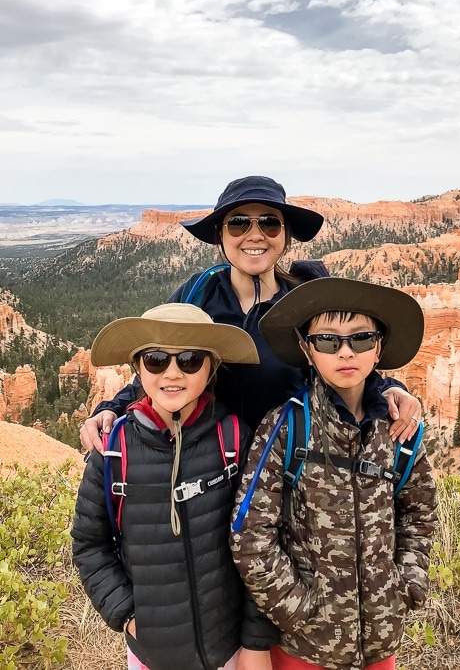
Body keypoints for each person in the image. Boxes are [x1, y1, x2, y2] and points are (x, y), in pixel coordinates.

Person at [80, 176, 422, 451]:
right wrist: (110, 407)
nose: (255, 235)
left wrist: (390, 388)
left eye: (270, 224)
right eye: (239, 223)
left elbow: (342, 353)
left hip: (288, 467)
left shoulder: (305, 302)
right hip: (208, 466)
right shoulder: (196, 296)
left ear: (286, 237)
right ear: (220, 235)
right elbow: (160, 364)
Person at [230, 277, 438, 670]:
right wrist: (298, 610)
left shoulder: (399, 433)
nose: (345, 352)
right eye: (328, 341)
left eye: (360, 339)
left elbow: (420, 514)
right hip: (305, 649)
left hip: (380, 643)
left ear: (378, 348)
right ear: (308, 351)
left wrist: (406, 585)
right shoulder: (287, 428)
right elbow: (250, 532)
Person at [71, 302, 277, 670]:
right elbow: (89, 544)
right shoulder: (113, 452)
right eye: (154, 359)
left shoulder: (233, 439)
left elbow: (259, 542)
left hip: (230, 648)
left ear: (211, 367)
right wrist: (128, 615)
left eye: (190, 360)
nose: (172, 373)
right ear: (137, 368)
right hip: (152, 653)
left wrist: (256, 639)